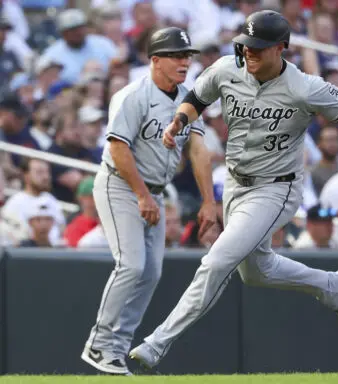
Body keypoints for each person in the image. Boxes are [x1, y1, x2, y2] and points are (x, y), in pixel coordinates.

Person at [129, 10, 338, 368]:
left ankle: (158, 342)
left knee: (217, 261)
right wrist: (180, 119)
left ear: (281, 48)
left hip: (277, 189)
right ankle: (332, 286)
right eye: (246, 46)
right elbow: (197, 97)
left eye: (259, 48)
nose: (250, 54)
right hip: (235, 184)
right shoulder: (228, 69)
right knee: (255, 272)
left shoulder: (305, 86)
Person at [81, 27, 216, 376]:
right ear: (155, 60)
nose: (184, 61)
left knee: (151, 272)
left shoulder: (189, 97)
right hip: (119, 185)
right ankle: (99, 343)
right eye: (175, 55)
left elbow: (199, 150)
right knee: (131, 265)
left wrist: (208, 201)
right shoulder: (132, 95)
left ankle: (115, 349)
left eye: (186, 55)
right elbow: (117, 147)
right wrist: (142, 195)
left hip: (154, 191)